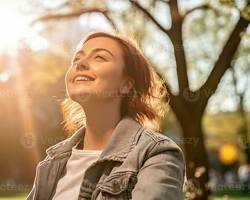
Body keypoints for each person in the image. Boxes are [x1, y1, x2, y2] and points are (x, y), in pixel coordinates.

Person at [26, 31, 187, 200]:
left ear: (126, 84)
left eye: (99, 57)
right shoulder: (52, 162)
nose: (80, 63)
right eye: (76, 59)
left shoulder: (156, 153)